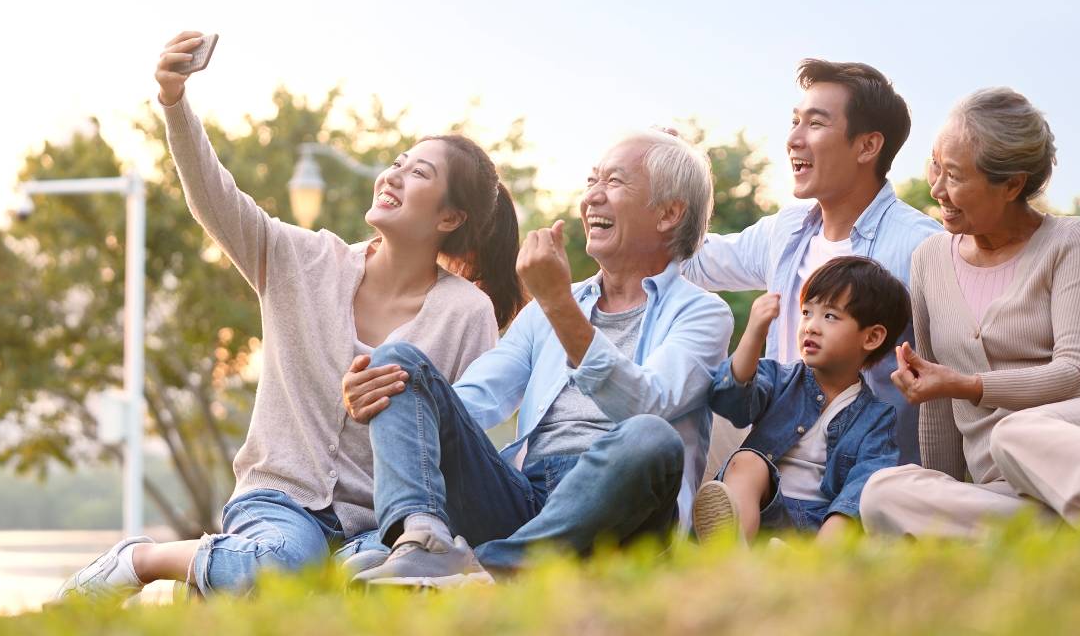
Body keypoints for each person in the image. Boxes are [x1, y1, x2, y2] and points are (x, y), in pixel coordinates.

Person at [55, 31, 525, 600]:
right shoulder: (301, 260)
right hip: (279, 501)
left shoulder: (466, 313)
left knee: (373, 580)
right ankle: (145, 559)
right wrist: (175, 104)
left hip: (379, 523)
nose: (392, 175)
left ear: (450, 218)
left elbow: (458, 444)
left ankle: (233, 575)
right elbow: (214, 198)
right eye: (397, 163)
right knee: (285, 562)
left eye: (419, 173)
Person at [341, 130, 733, 586]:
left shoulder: (703, 312)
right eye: (591, 181)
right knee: (400, 361)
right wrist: (403, 400)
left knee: (651, 437)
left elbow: (647, 405)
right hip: (527, 496)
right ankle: (421, 542)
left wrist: (559, 306)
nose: (593, 197)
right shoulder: (546, 309)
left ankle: (483, 567)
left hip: (623, 506)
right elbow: (472, 399)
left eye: (615, 182)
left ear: (668, 213)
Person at [859, 87, 1080, 536]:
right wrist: (944, 487)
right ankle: (1066, 529)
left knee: (1015, 432)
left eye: (954, 175)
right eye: (935, 165)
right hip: (1008, 480)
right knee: (884, 493)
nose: (936, 189)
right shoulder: (930, 260)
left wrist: (968, 385)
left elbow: (1077, 375)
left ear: (1012, 184)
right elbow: (937, 407)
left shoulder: (1072, 242)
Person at [681, 59, 941, 467]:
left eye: (815, 124)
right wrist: (665, 178)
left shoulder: (921, 247)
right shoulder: (787, 230)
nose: (793, 139)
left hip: (861, 464)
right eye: (794, 121)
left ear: (867, 146)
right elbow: (692, 262)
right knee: (685, 401)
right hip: (777, 443)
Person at [692, 256, 905, 544]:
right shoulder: (778, 378)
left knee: (858, 497)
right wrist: (754, 334)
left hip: (822, 523)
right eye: (807, 312)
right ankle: (733, 551)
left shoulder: (876, 416)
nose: (811, 326)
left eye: (830, 316)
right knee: (746, 461)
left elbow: (862, 484)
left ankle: (814, 562)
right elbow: (730, 402)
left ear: (871, 337)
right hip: (760, 509)